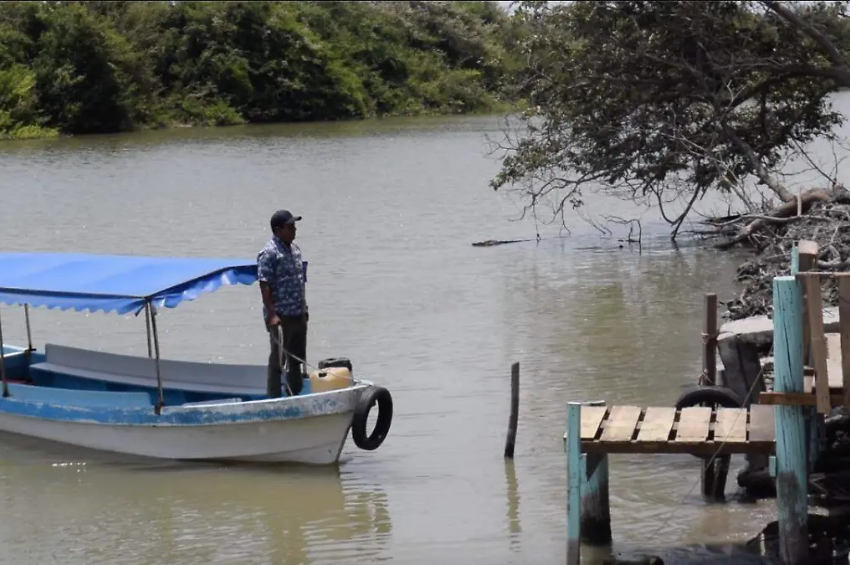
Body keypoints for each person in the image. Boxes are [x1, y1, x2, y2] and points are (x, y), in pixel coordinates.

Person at [257, 209, 308, 398]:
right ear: (279, 230)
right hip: (280, 316)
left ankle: (295, 395)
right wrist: (272, 314)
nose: (294, 230)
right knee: (278, 361)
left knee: (296, 360)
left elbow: (299, 281)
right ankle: (274, 398)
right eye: (290, 227)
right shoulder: (269, 253)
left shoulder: (295, 250)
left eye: (294, 226)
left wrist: (304, 309)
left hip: (297, 313)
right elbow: (265, 285)